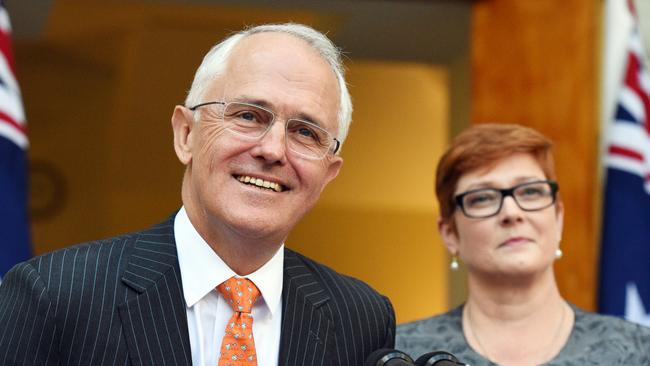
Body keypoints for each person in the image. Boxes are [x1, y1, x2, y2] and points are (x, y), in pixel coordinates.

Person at [0, 23, 395, 366]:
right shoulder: (54, 296)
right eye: (248, 116)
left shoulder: (360, 319)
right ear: (185, 134)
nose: (273, 150)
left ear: (328, 173)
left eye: (305, 132)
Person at [396, 123, 650, 365]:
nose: (511, 212)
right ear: (450, 233)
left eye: (530, 192)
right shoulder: (403, 352)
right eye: (482, 198)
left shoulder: (639, 351)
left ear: (558, 218)